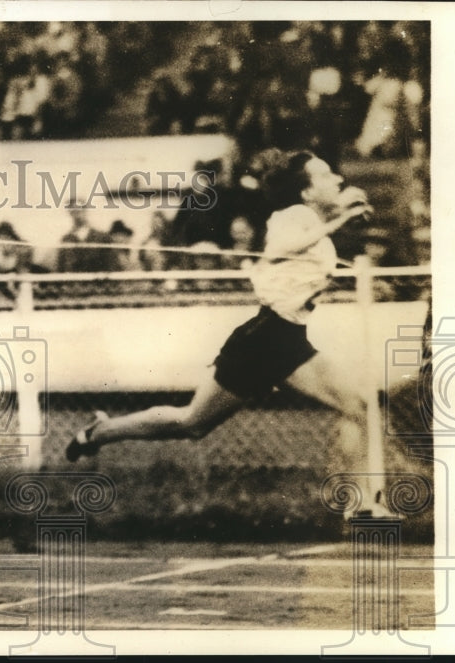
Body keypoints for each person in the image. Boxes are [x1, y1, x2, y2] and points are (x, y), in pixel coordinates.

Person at [65, 149, 392, 519]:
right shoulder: (290, 217)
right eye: (327, 175)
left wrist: (344, 207)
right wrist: (341, 216)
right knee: (190, 424)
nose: (337, 179)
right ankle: (102, 431)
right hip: (263, 341)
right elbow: (280, 248)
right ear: (305, 192)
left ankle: (361, 504)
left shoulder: (309, 217)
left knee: (359, 407)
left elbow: (319, 225)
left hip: (288, 339)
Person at [56, 200, 113, 273]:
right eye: (73, 212)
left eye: (79, 211)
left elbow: (111, 264)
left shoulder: (102, 237)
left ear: (85, 211)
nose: (77, 215)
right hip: (74, 282)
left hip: (97, 282)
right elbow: (61, 267)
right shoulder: (66, 239)